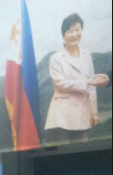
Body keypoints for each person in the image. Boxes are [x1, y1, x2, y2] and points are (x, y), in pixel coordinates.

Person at [44, 13, 108, 144]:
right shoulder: (55, 58)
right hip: (61, 117)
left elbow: (92, 86)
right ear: (63, 35)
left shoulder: (86, 55)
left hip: (82, 116)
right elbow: (61, 84)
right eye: (69, 31)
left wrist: (94, 112)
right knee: (64, 153)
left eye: (77, 30)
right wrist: (87, 81)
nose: (74, 34)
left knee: (81, 151)